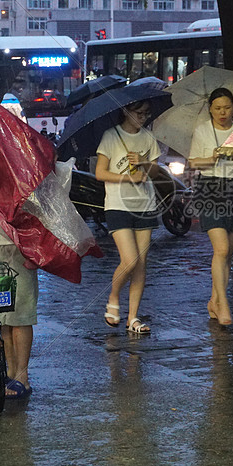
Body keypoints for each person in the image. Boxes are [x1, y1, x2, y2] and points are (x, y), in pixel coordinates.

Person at [187, 88, 233, 326]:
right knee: (222, 249)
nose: (222, 112)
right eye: (217, 108)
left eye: (227, 107)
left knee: (230, 251)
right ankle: (223, 302)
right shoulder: (203, 131)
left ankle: (214, 299)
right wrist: (212, 158)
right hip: (210, 188)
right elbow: (193, 162)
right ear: (210, 109)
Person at [95, 100, 162, 334]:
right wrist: (127, 178)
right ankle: (113, 298)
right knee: (130, 259)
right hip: (117, 205)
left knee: (141, 264)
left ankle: (133, 317)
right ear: (126, 111)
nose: (142, 118)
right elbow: (100, 172)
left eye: (146, 114)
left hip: (145, 204)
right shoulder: (111, 136)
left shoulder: (148, 137)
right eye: (138, 113)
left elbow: (156, 170)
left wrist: (144, 164)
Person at [0, 221, 39, 398]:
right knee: (1, 313)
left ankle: (22, 376)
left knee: (21, 312)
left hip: (21, 242)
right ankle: (11, 373)